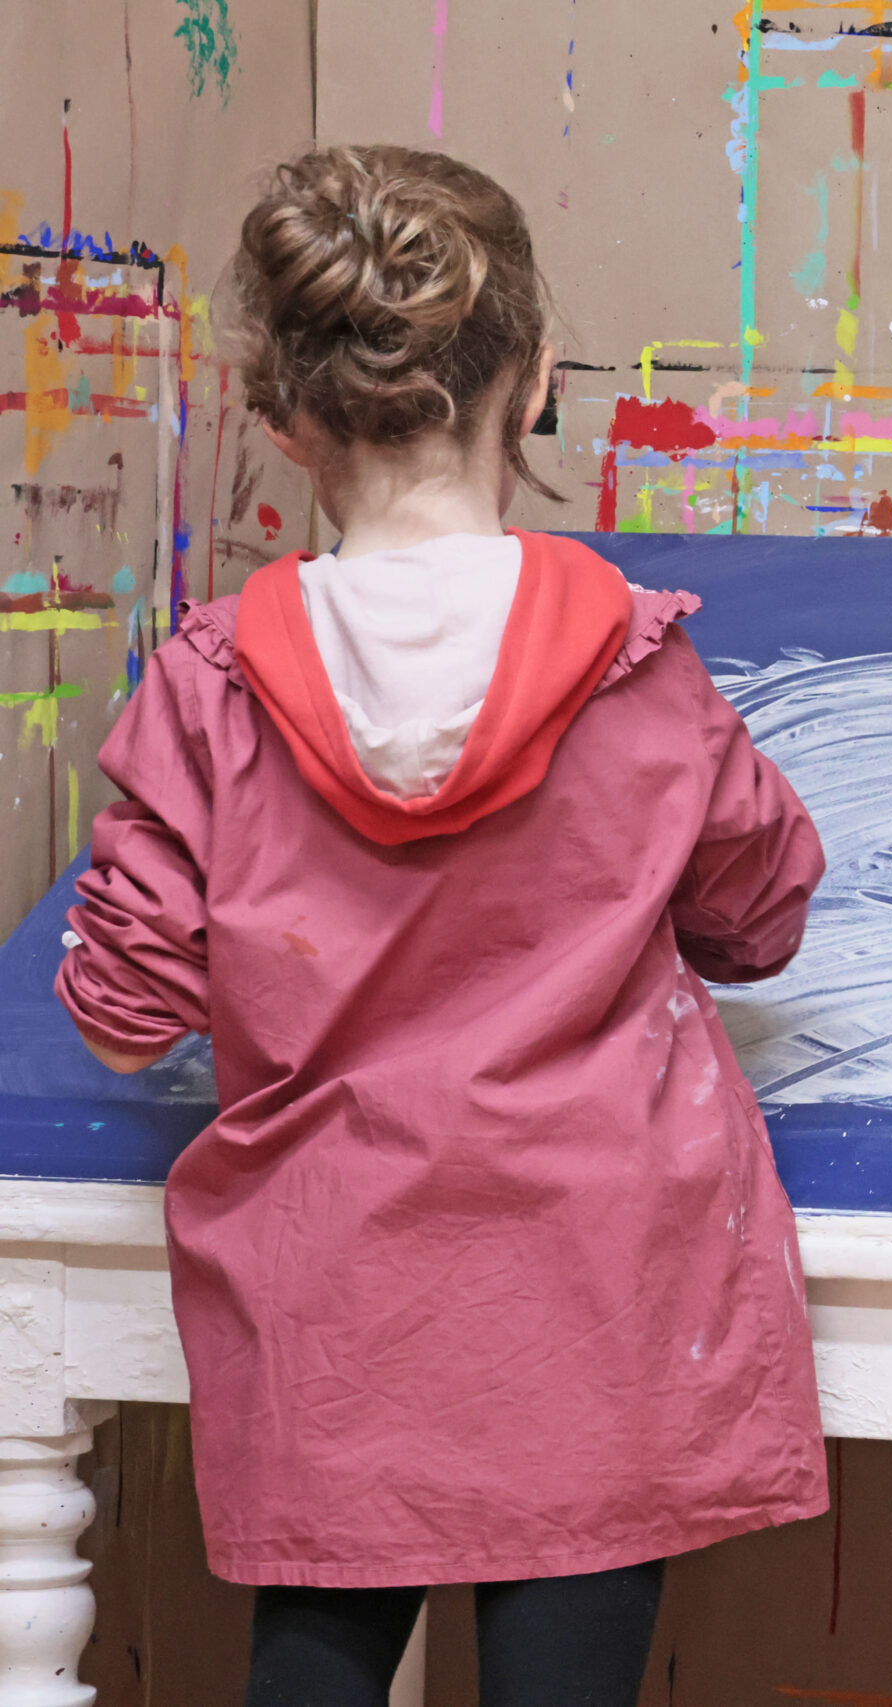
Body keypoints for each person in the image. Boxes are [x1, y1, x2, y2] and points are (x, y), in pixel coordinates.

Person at [52, 144, 830, 1705]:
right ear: (532, 386)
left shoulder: (211, 687)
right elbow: (760, 915)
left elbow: (123, 1014)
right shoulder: (635, 668)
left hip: (329, 1298)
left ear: (283, 418)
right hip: (601, 1291)